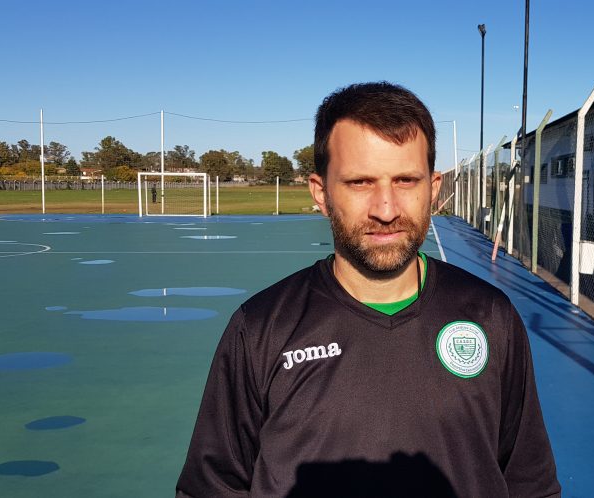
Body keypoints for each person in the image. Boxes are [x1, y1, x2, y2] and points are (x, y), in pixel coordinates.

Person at [176, 82, 560, 497]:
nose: (386, 209)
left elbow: (529, 482)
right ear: (322, 193)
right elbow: (213, 488)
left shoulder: (490, 314)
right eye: (360, 182)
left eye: (405, 180)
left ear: (433, 189)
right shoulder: (261, 328)